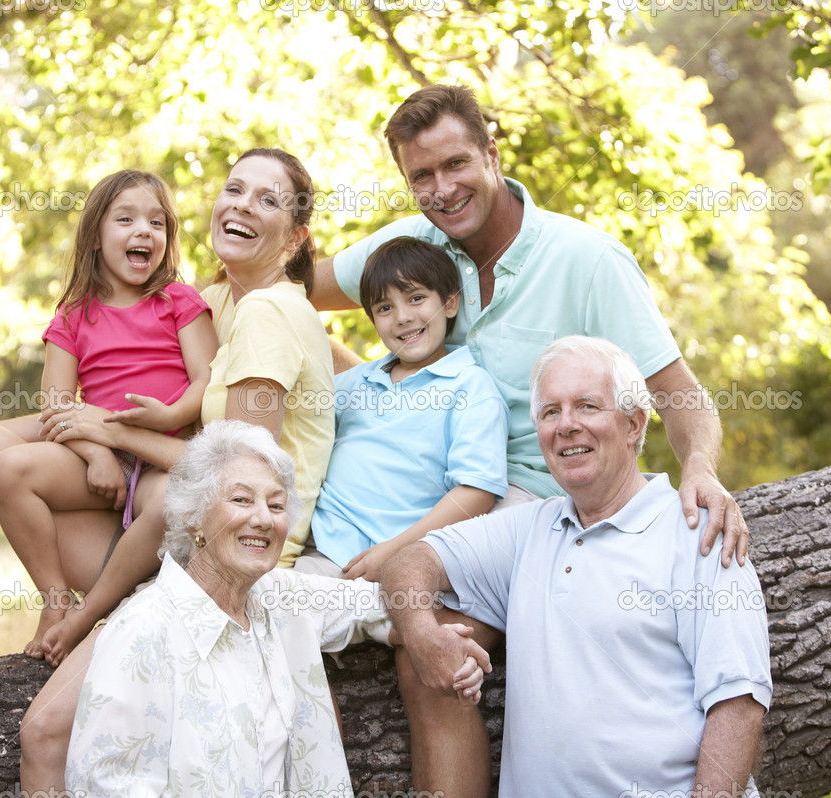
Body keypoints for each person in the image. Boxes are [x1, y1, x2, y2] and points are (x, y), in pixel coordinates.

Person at [309, 83, 751, 794]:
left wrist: (699, 465)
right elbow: (294, 287)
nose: (441, 190)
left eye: (456, 165)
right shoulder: (415, 249)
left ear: (491, 153)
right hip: (420, 487)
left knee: (434, 651)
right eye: (420, 176)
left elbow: (678, 394)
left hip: (528, 495)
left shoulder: (585, 259)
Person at [16, 147, 337, 795]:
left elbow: (242, 482)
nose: (242, 205)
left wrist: (104, 430)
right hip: (182, 547)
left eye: (267, 200)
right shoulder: (218, 301)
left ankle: (80, 615)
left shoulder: (269, 312)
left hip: (230, 571)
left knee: (47, 733)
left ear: (296, 236)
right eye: (234, 189)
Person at [381, 336, 771, 798]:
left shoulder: (696, 533)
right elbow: (409, 562)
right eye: (550, 412)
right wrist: (422, 634)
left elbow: (738, 700)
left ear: (633, 425)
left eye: (587, 406)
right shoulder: (528, 529)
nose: (565, 426)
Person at [65, 420, 486, 795]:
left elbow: (384, 603)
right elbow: (105, 786)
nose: (264, 519)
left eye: (277, 504)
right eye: (242, 500)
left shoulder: (283, 596)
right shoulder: (142, 632)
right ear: (194, 516)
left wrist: (426, 634)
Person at [0, 169, 218, 662]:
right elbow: (57, 406)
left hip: (163, 457)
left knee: (167, 506)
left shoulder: (179, 301)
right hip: (103, 451)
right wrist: (97, 456)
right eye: (126, 219)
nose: (144, 231)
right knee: (8, 470)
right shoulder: (72, 317)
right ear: (95, 236)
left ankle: (93, 611)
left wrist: (169, 413)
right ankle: (54, 600)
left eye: (157, 223)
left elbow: (207, 379)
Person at [295, 236, 509, 582]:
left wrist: (397, 549)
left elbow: (477, 491)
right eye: (384, 308)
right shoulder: (355, 381)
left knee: (289, 609)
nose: (403, 317)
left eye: (416, 298)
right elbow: (303, 430)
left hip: (393, 555)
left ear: (451, 303)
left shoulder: (470, 388)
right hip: (320, 541)